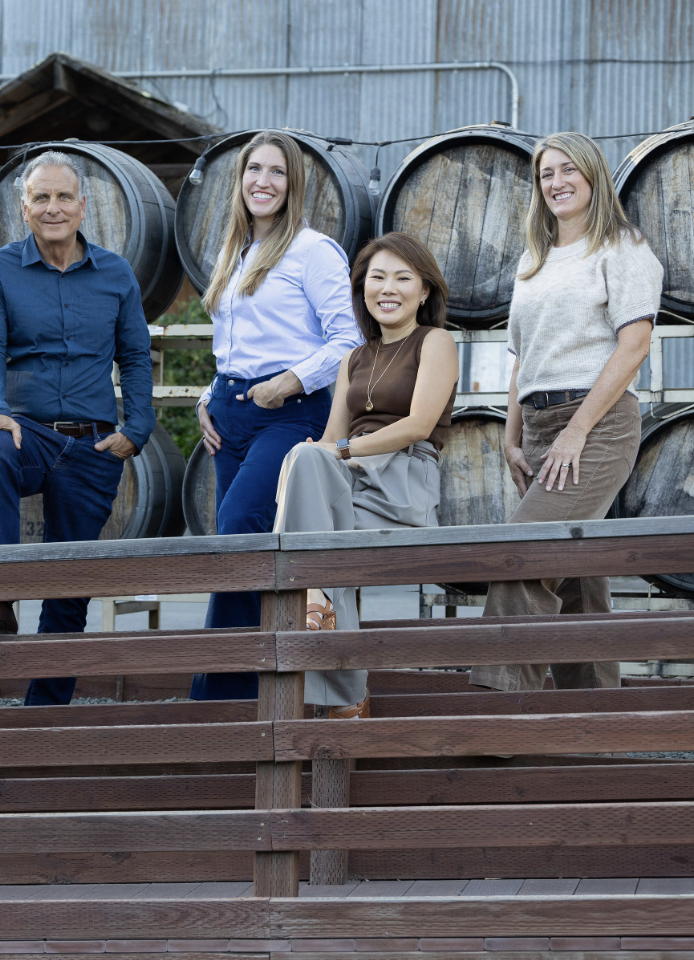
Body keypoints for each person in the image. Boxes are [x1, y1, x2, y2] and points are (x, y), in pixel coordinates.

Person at [0, 149, 154, 707]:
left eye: (63, 197)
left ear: (83, 206)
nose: (53, 207)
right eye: (42, 197)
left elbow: (135, 355)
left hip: (93, 442)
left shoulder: (115, 273)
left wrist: (138, 428)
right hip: (28, 432)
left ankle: (45, 710)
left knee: (69, 586)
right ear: (24, 207)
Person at [470, 132, 662, 693]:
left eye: (567, 170)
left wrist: (576, 433)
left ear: (592, 176)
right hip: (538, 425)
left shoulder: (622, 248)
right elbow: (521, 356)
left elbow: (634, 345)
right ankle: (596, 718)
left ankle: (497, 711)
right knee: (576, 575)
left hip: (596, 424)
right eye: (545, 174)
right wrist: (512, 436)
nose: (556, 182)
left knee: (523, 554)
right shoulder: (536, 256)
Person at [188, 130, 363, 702]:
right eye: (253, 170)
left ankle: (220, 696)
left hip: (289, 413)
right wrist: (207, 396)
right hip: (232, 414)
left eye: (277, 172)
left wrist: (289, 382)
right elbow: (232, 347)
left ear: (294, 186)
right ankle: (251, 689)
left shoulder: (313, 251)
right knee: (232, 549)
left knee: (241, 527)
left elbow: (348, 340)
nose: (263, 181)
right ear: (239, 182)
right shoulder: (233, 252)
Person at [273, 233, 458, 717]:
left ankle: (316, 603)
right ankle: (345, 695)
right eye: (377, 277)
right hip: (351, 480)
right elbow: (331, 436)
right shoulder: (352, 358)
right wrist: (313, 455)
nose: (387, 288)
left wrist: (341, 451)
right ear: (362, 290)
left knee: (315, 518)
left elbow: (418, 424)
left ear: (424, 291)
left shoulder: (434, 341)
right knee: (304, 459)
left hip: (403, 481)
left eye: (402, 277)